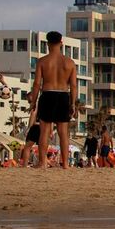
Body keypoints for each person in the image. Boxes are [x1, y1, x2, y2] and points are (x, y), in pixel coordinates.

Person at [35, 31, 79, 170]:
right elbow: (73, 85)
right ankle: (65, 163)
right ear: (61, 43)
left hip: (47, 94)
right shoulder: (69, 62)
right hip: (63, 95)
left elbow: (37, 84)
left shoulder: (42, 61)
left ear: (47, 43)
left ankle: (42, 163)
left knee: (44, 131)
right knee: (63, 132)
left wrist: (33, 101)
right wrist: (73, 103)